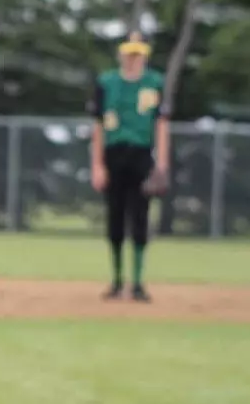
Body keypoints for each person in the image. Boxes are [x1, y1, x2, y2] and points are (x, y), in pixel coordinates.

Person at [89, 31, 170, 302]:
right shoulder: (107, 82)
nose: (133, 58)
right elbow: (98, 126)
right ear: (121, 54)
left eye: (138, 53)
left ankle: (137, 282)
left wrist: (162, 163)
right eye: (129, 53)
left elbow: (161, 124)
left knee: (140, 218)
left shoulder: (154, 82)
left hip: (141, 155)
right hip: (114, 154)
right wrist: (97, 165)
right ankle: (116, 280)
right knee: (115, 218)